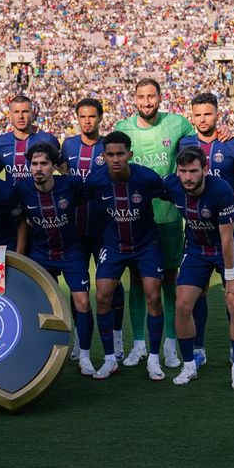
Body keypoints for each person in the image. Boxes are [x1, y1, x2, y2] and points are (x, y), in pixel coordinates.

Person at [115, 78, 194, 369]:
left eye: (151, 96)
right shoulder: (123, 129)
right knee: (137, 283)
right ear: (134, 99)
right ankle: (139, 345)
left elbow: (196, 147)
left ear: (160, 97)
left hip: (169, 218)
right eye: (141, 97)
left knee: (170, 283)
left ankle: (170, 346)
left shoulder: (178, 124)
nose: (146, 102)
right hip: (136, 220)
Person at [179, 91, 234, 369]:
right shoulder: (184, 143)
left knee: (233, 298)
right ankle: (198, 350)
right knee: (195, 295)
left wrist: (230, 205)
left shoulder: (233, 144)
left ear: (217, 114)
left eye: (207, 114)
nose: (202, 119)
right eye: (197, 114)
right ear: (192, 116)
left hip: (229, 234)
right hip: (197, 236)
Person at [83, 131, 168, 382]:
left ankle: (153, 359)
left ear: (130, 154)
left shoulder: (147, 178)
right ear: (103, 156)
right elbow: (81, 199)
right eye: (110, 154)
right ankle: (110, 359)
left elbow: (171, 193)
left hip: (146, 243)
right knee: (102, 296)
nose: (116, 159)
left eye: (121, 153)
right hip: (115, 244)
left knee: (153, 295)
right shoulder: (95, 181)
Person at [164, 146, 234, 389]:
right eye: (183, 171)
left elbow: (227, 239)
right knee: (182, 304)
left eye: (193, 171)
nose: (188, 177)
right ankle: (189, 364)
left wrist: (230, 278)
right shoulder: (172, 185)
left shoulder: (220, 190)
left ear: (205, 170)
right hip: (197, 249)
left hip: (230, 247)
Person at [18, 142, 97, 376]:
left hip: (70, 252)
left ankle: (84, 355)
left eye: (44, 163)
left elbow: (96, 191)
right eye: (34, 164)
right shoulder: (21, 188)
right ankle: (41, 351)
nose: (39, 168)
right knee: (38, 304)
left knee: (82, 301)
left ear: (54, 166)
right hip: (40, 253)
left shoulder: (71, 184)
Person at [61, 97, 125, 362]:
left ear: (100, 118)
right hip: (75, 228)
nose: (87, 121)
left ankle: (118, 338)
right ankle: (80, 340)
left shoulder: (108, 146)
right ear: (77, 118)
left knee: (111, 286)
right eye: (82, 117)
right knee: (79, 289)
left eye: (92, 116)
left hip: (105, 229)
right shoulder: (68, 145)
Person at [0, 93, 61, 184]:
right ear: (10, 115)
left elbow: (64, 170)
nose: (21, 116)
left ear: (32, 114)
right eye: (16, 112)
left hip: (39, 197)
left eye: (25, 111)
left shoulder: (48, 140)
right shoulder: (0, 143)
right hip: (12, 198)